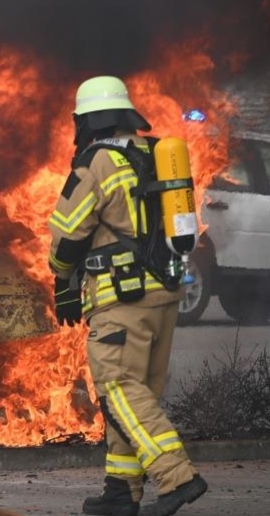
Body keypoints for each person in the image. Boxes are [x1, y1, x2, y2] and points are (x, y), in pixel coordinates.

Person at [47, 76, 207, 516]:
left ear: (87, 121)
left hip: (122, 300)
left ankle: (178, 477)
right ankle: (121, 491)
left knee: (118, 388)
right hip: (165, 295)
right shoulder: (154, 154)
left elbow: (68, 232)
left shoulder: (98, 160)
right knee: (137, 397)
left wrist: (61, 277)